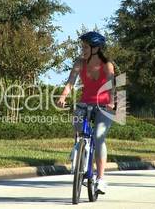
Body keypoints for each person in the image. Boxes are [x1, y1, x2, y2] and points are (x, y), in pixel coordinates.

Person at [57, 31, 115, 194]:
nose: (82, 49)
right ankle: (80, 147)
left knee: (98, 137)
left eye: (85, 47)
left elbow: (111, 84)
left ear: (96, 48)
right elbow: (70, 82)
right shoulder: (79, 63)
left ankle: (101, 179)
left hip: (104, 106)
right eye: (82, 46)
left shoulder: (107, 64)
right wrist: (63, 96)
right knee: (77, 125)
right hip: (85, 102)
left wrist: (112, 101)